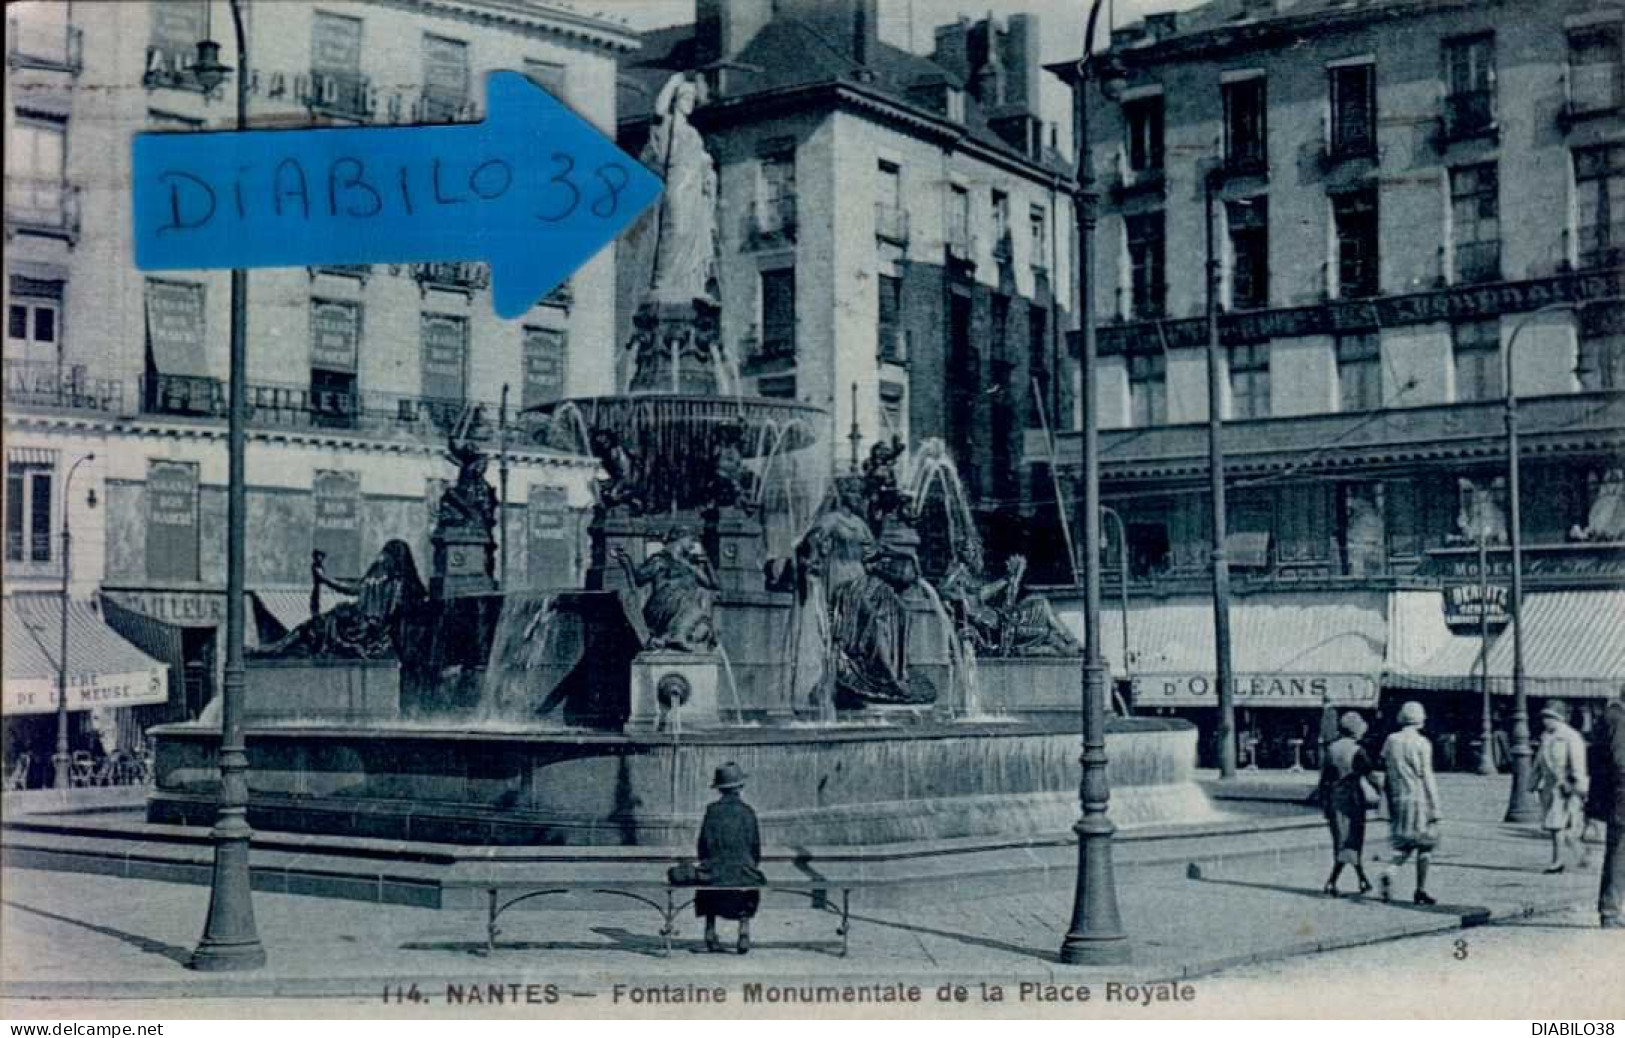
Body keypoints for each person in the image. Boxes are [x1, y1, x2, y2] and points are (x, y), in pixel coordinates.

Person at [695, 762, 765, 954]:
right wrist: (750, 864)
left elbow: (703, 845)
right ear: (740, 787)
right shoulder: (748, 812)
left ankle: (710, 931)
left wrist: (708, 862)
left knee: (707, 885)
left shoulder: (712, 811)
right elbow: (755, 847)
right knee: (750, 886)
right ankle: (743, 930)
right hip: (743, 874)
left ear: (719, 789)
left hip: (715, 874)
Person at [1378, 701, 1443, 905]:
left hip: (1398, 798)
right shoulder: (1422, 743)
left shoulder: (1391, 740)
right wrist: (1436, 806)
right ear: (1420, 719)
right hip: (1419, 798)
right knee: (1425, 845)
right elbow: (1427, 776)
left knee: (1404, 843)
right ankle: (1420, 889)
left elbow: (1384, 765)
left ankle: (1390, 870)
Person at [1318, 711, 1378, 897]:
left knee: (1342, 840)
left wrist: (1324, 802)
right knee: (1352, 840)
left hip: (1334, 799)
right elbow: (1370, 774)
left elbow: (1324, 779)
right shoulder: (1358, 750)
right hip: (1353, 799)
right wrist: (1382, 791)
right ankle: (1333, 881)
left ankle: (1360, 879)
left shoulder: (1331, 749)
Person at [1533, 699, 1590, 874]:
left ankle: (1557, 862)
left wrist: (1579, 787)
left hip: (1565, 787)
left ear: (1559, 719)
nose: (1545, 721)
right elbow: (1539, 763)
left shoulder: (1571, 737)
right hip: (1549, 787)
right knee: (1559, 826)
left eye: (1549, 717)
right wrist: (1532, 783)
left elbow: (1578, 764)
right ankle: (1580, 853)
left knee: (1556, 825)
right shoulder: (1546, 737)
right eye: (1544, 717)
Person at [1589, 688, 1625, 928]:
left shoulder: (1612, 716)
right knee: (1619, 851)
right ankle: (1610, 911)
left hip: (1617, 794)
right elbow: (1621, 761)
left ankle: (1611, 910)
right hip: (1622, 795)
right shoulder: (1618, 718)